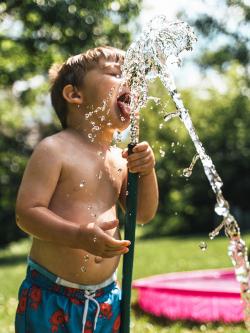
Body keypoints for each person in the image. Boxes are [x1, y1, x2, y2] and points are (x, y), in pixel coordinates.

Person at [15, 46, 159, 333]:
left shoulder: (120, 159)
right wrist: (78, 236)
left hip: (107, 298)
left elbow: (141, 214)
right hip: (52, 296)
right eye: (116, 73)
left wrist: (147, 170)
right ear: (75, 95)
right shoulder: (55, 150)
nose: (128, 80)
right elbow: (27, 214)